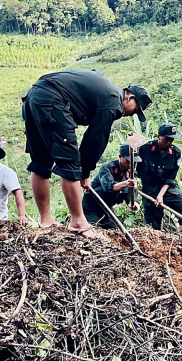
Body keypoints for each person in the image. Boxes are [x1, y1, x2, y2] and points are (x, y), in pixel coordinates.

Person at [21, 69, 151, 239]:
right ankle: (78, 222)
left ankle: (46, 220)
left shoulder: (106, 89)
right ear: (129, 98)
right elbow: (95, 140)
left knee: (41, 162)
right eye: (134, 110)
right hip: (53, 100)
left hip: (34, 96)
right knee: (70, 161)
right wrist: (84, 172)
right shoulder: (113, 103)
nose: (129, 114)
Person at [137, 123, 182, 231]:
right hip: (149, 190)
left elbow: (170, 178)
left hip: (166, 189)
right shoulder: (144, 149)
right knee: (153, 225)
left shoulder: (175, 153)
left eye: (171, 139)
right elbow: (130, 160)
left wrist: (160, 195)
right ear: (158, 136)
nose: (169, 142)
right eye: (166, 139)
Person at [81, 144, 140, 230]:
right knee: (94, 228)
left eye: (134, 162)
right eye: (128, 161)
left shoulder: (131, 174)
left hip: (107, 207)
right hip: (92, 205)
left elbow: (132, 194)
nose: (131, 164)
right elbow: (109, 187)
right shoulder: (107, 167)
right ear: (120, 157)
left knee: (115, 230)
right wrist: (126, 183)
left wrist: (134, 204)